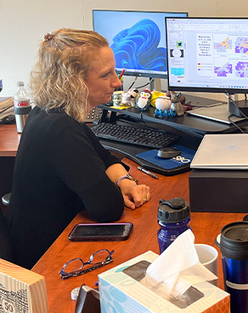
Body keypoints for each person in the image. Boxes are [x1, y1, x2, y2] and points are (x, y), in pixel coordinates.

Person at [6, 29, 151, 269]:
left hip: (49, 238)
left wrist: (125, 181)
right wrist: (118, 189)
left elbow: (104, 158)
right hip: (44, 259)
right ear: (73, 82)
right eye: (106, 75)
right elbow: (108, 208)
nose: (117, 82)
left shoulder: (49, 111)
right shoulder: (60, 129)